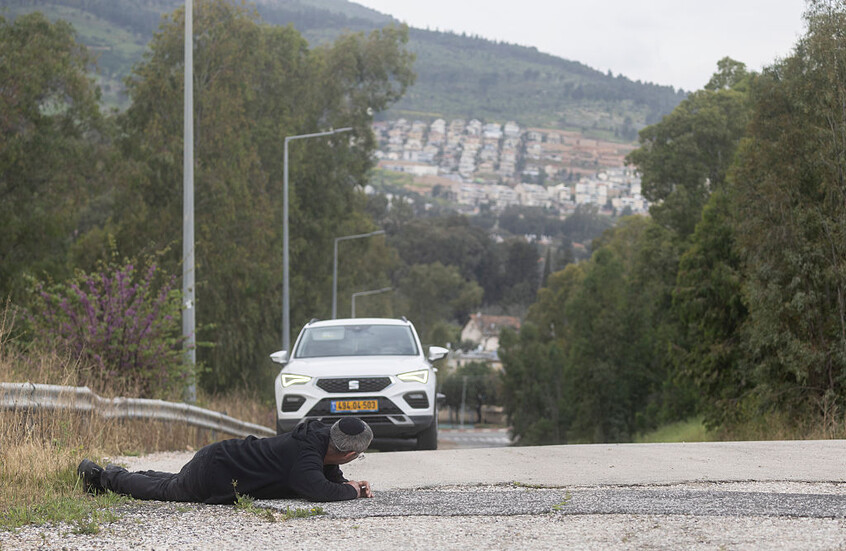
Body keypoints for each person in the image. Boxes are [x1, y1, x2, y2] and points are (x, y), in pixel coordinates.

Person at [77, 417, 374, 504]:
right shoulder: (307, 455)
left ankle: (115, 473)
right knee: (168, 491)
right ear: (349, 454)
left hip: (220, 457)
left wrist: (347, 482)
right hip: (218, 470)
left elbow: (325, 470)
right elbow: (315, 488)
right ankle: (100, 478)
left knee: (172, 481)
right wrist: (350, 491)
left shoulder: (320, 437)